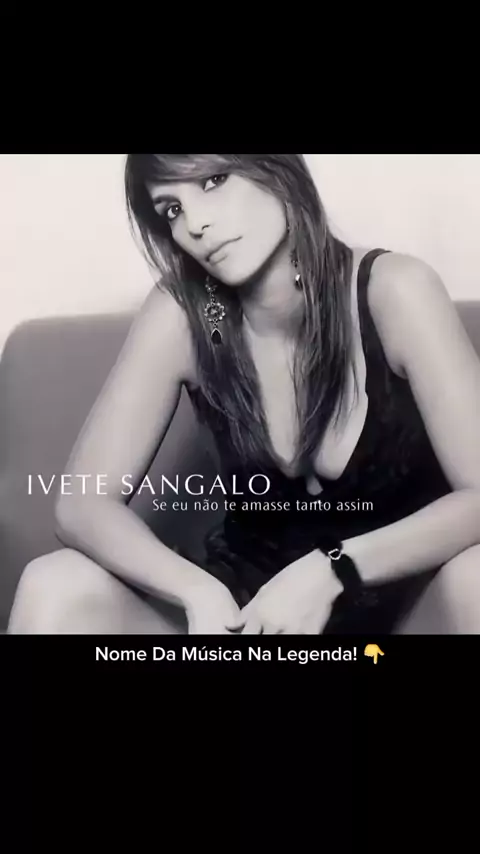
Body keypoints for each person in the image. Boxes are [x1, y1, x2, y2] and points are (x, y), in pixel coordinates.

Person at [8, 154, 480, 635]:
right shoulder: (185, 315)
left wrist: (333, 568)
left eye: (213, 181)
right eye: (172, 209)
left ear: (277, 170)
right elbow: (81, 504)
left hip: (402, 619)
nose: (195, 224)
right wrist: (196, 590)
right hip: (245, 622)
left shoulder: (395, 291)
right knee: (55, 585)